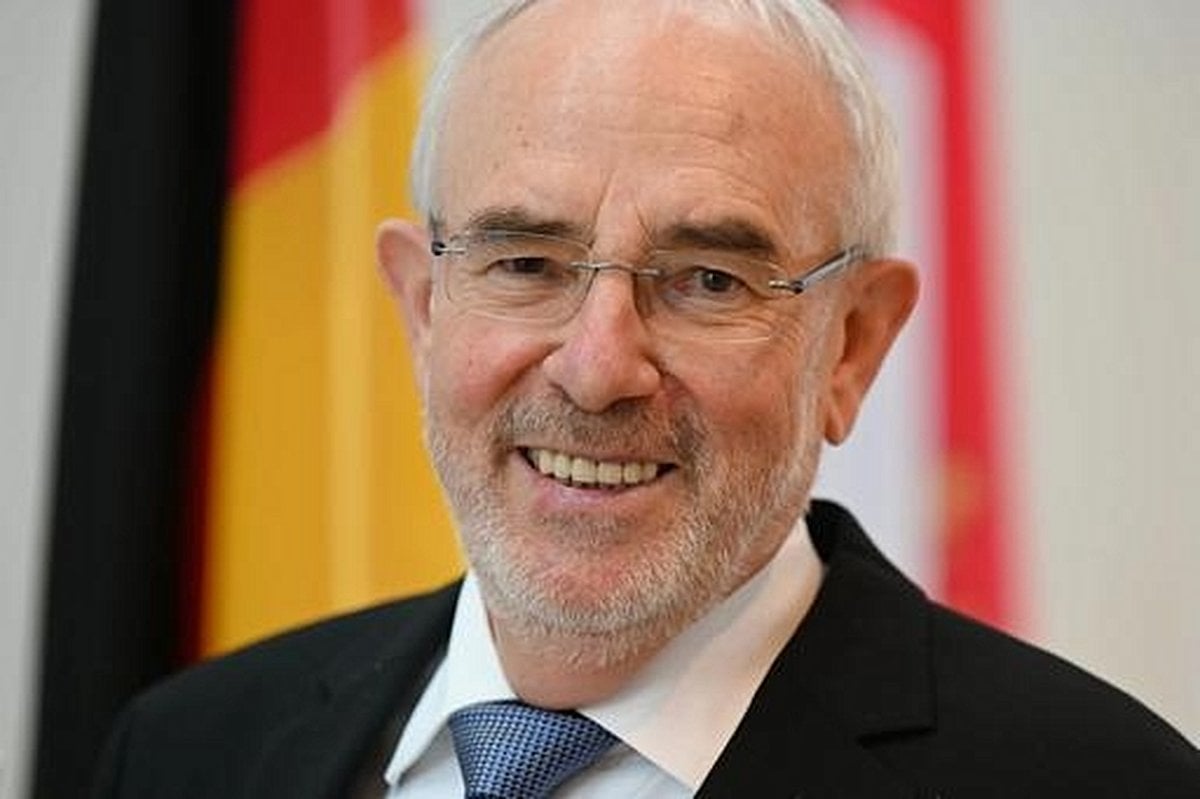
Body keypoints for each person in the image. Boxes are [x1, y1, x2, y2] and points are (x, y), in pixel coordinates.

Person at [92, 0, 1199, 796]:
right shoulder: (185, 750)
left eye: (708, 279)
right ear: (424, 308)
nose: (597, 367)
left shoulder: (1103, 782)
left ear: (852, 346)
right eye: (527, 263)